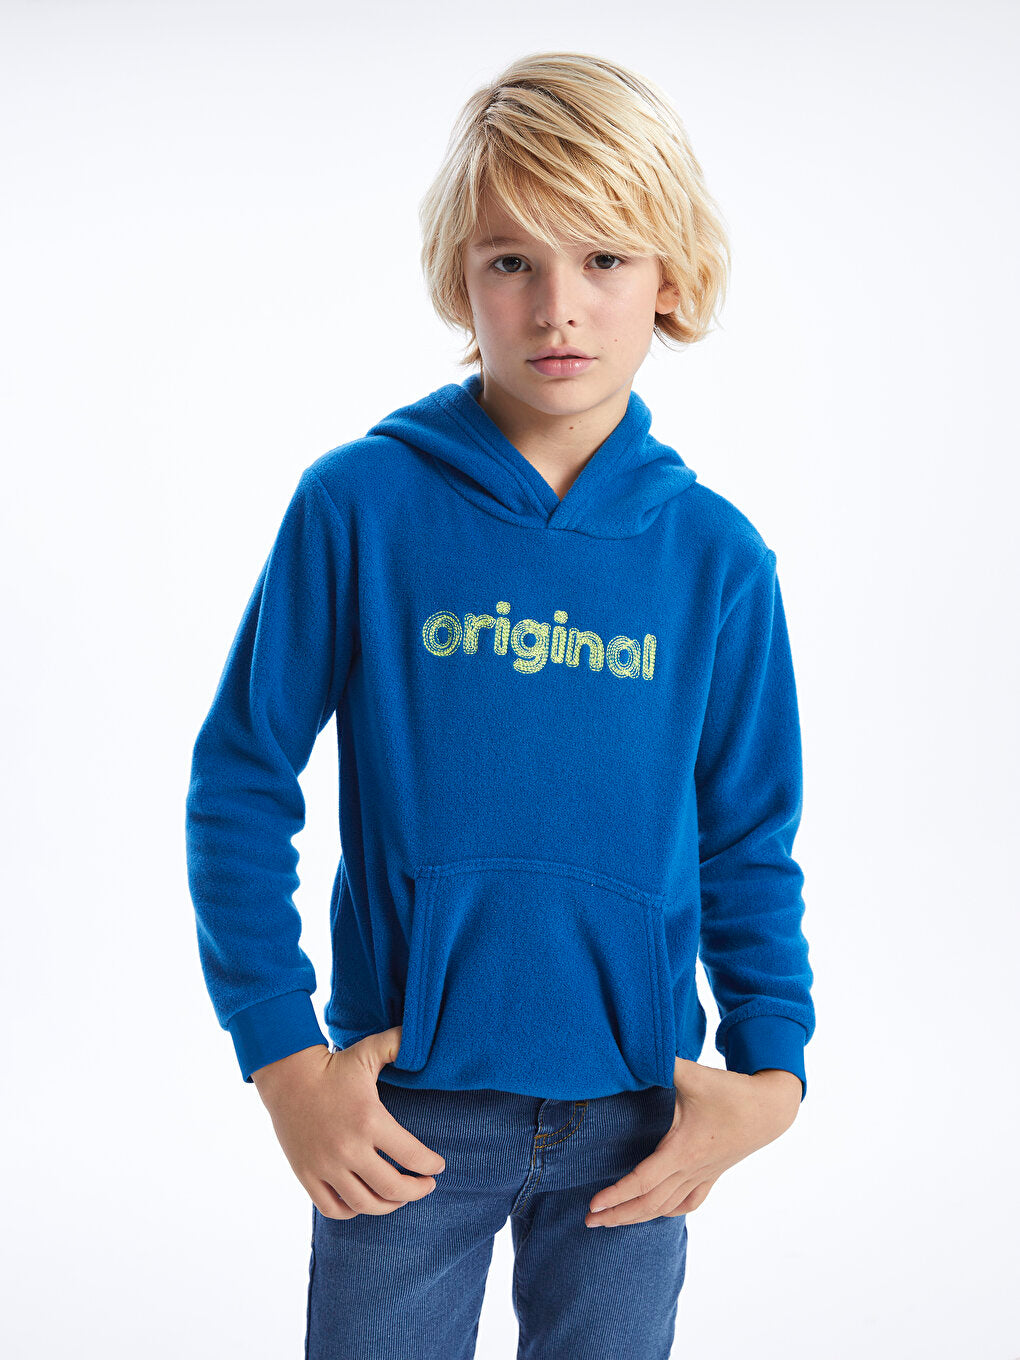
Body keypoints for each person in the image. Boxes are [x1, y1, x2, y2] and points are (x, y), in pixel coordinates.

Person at [185, 49, 815, 1360]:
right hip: (402, 1116)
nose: (556, 307)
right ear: (458, 279)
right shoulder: (360, 507)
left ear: (671, 278)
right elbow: (241, 780)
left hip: (639, 1121)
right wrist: (284, 1062)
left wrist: (773, 1073)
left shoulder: (716, 559)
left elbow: (749, 838)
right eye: (511, 260)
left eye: (605, 258)